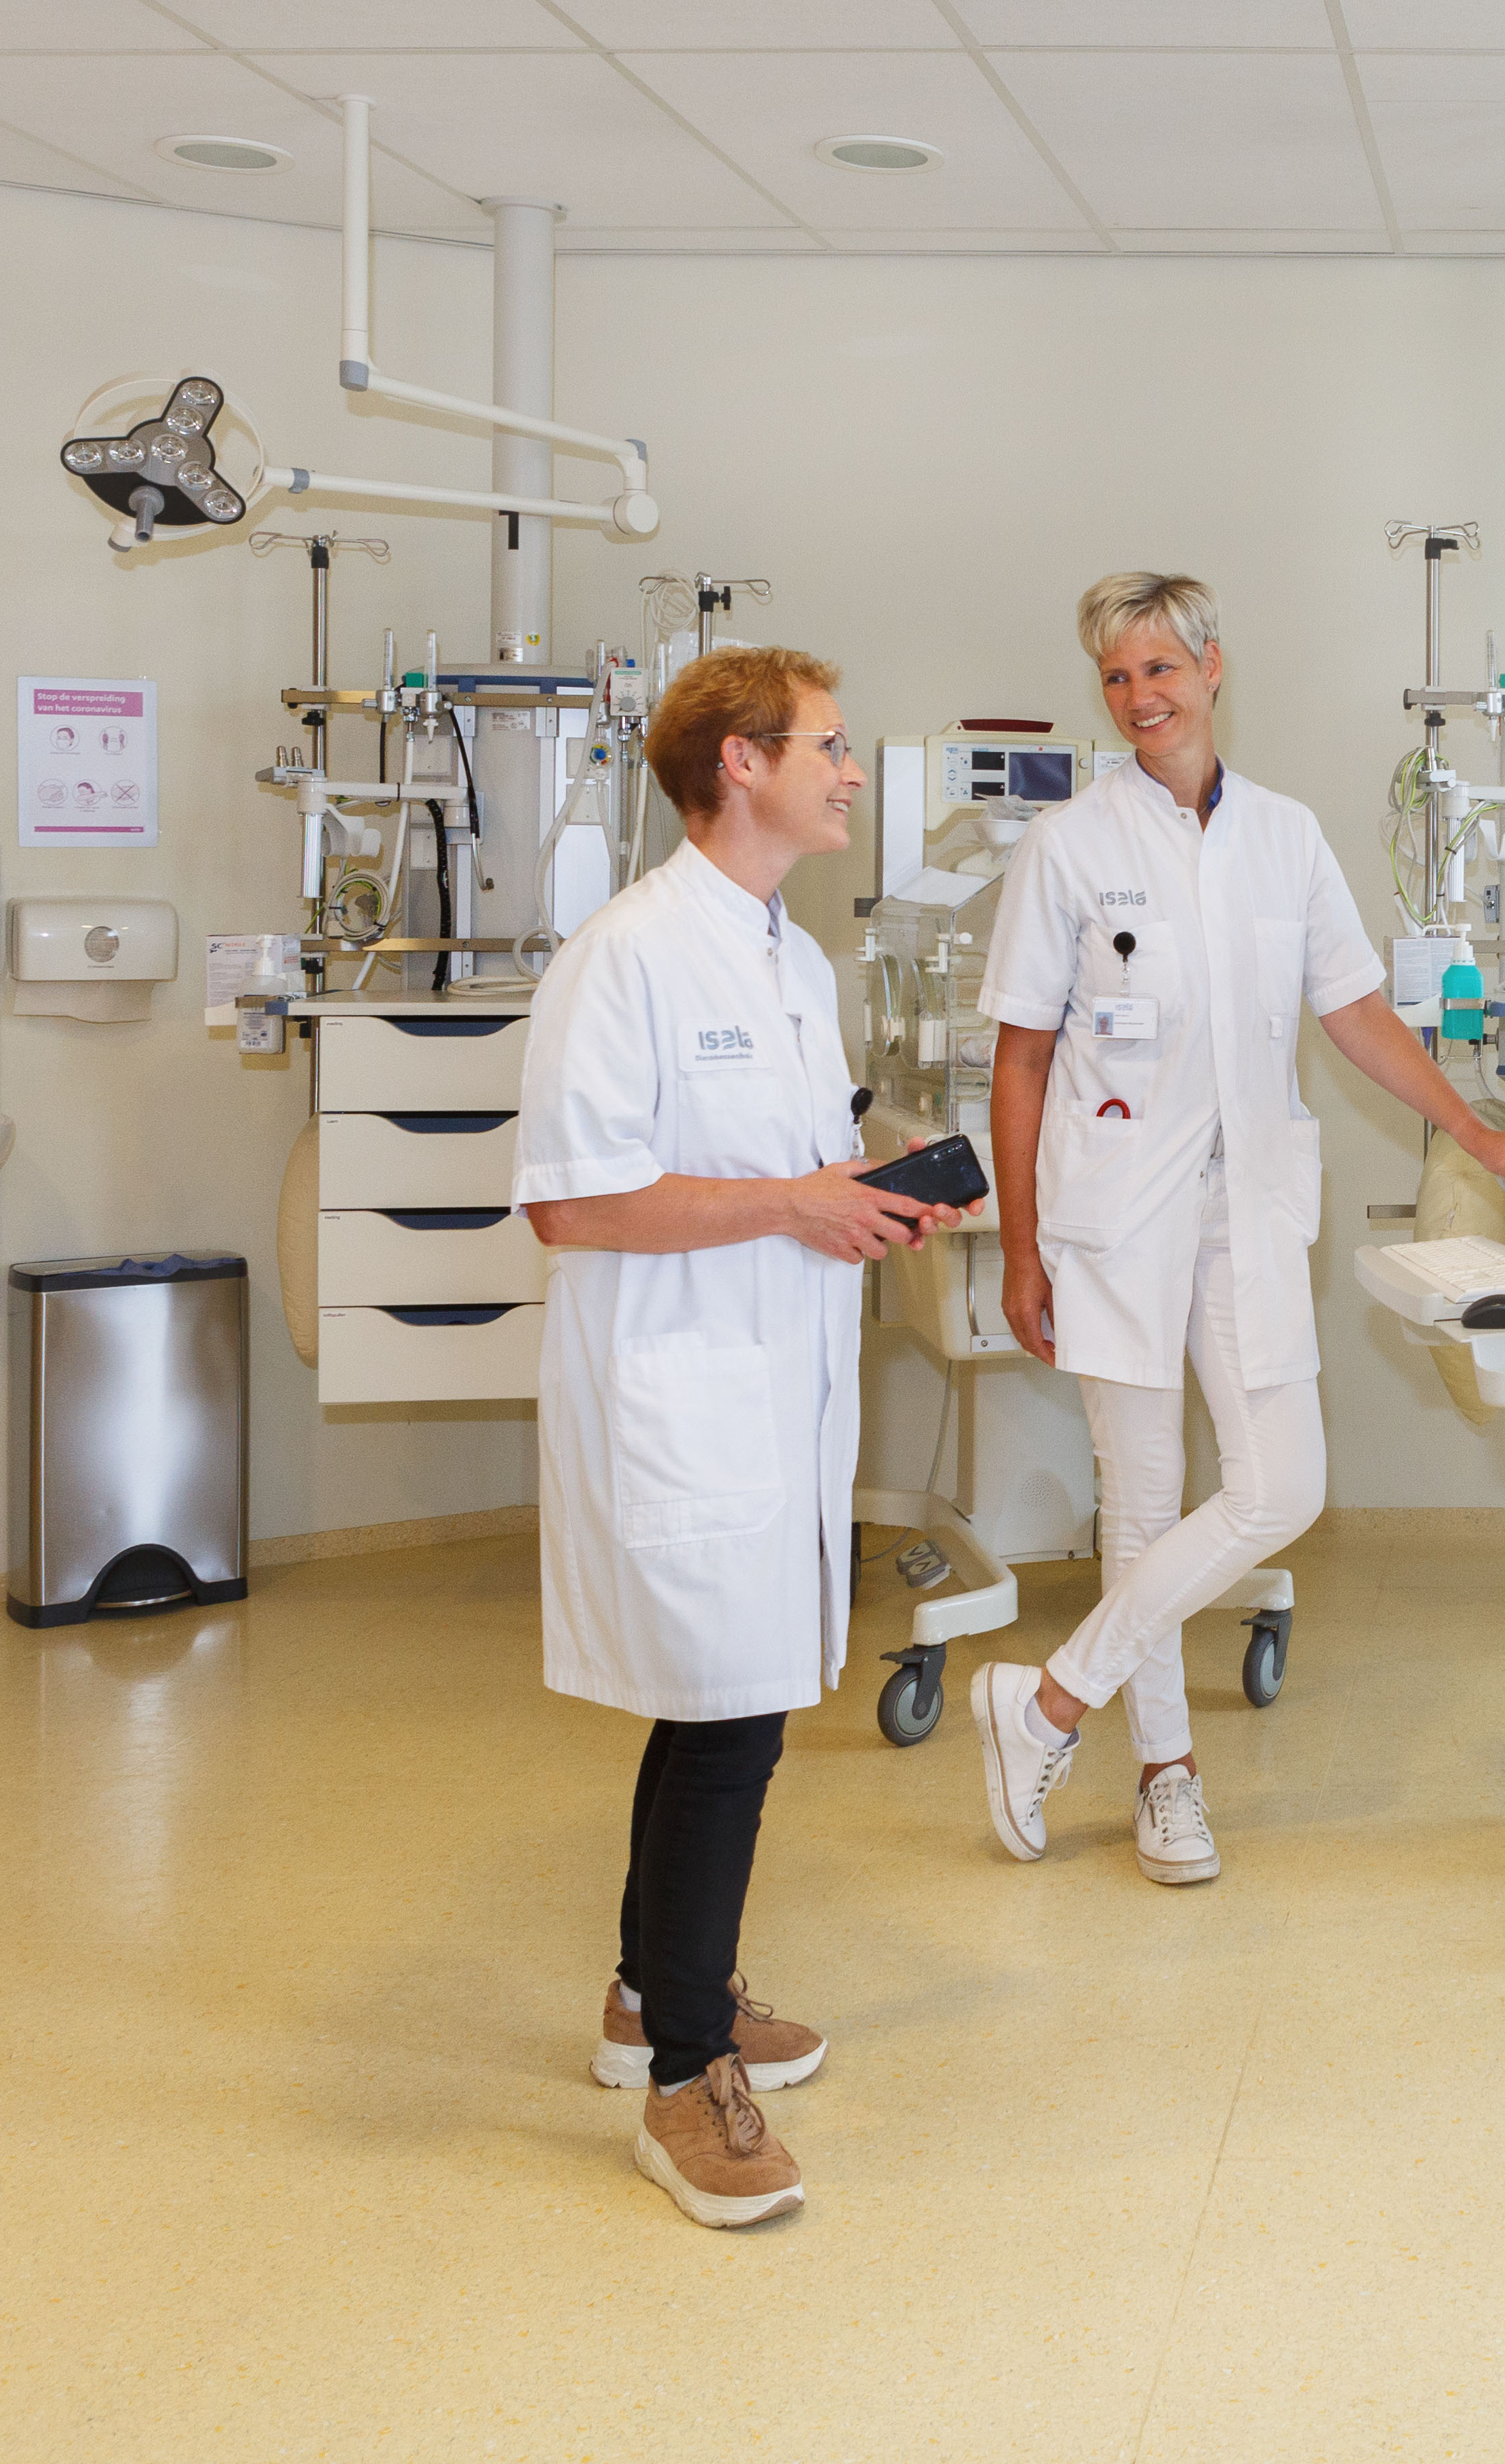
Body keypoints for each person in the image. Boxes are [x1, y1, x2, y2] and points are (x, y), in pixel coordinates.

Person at [970, 573, 1505, 1881]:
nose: (1141, 697)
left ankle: (1049, 1701)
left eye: (1162, 668)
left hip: (1249, 1204)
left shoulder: (1285, 837)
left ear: (1214, 668)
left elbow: (1353, 1014)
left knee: (1281, 1485)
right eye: (1117, 678)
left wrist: (1474, 1132)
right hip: (1111, 1214)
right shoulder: (1068, 849)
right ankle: (1167, 1776)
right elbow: (1018, 1060)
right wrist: (1018, 1247)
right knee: (1146, 1500)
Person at [515, 644, 962, 2228]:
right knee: (724, 1726)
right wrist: (797, 1202)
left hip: (779, 1382)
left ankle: (654, 1995)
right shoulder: (627, 954)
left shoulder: (790, 958)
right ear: (740, 767)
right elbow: (573, 1198)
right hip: (681, 1391)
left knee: (734, 1707)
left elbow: (793, 1163)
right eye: (830, 748)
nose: (851, 772)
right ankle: (683, 2082)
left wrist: (861, 1196)